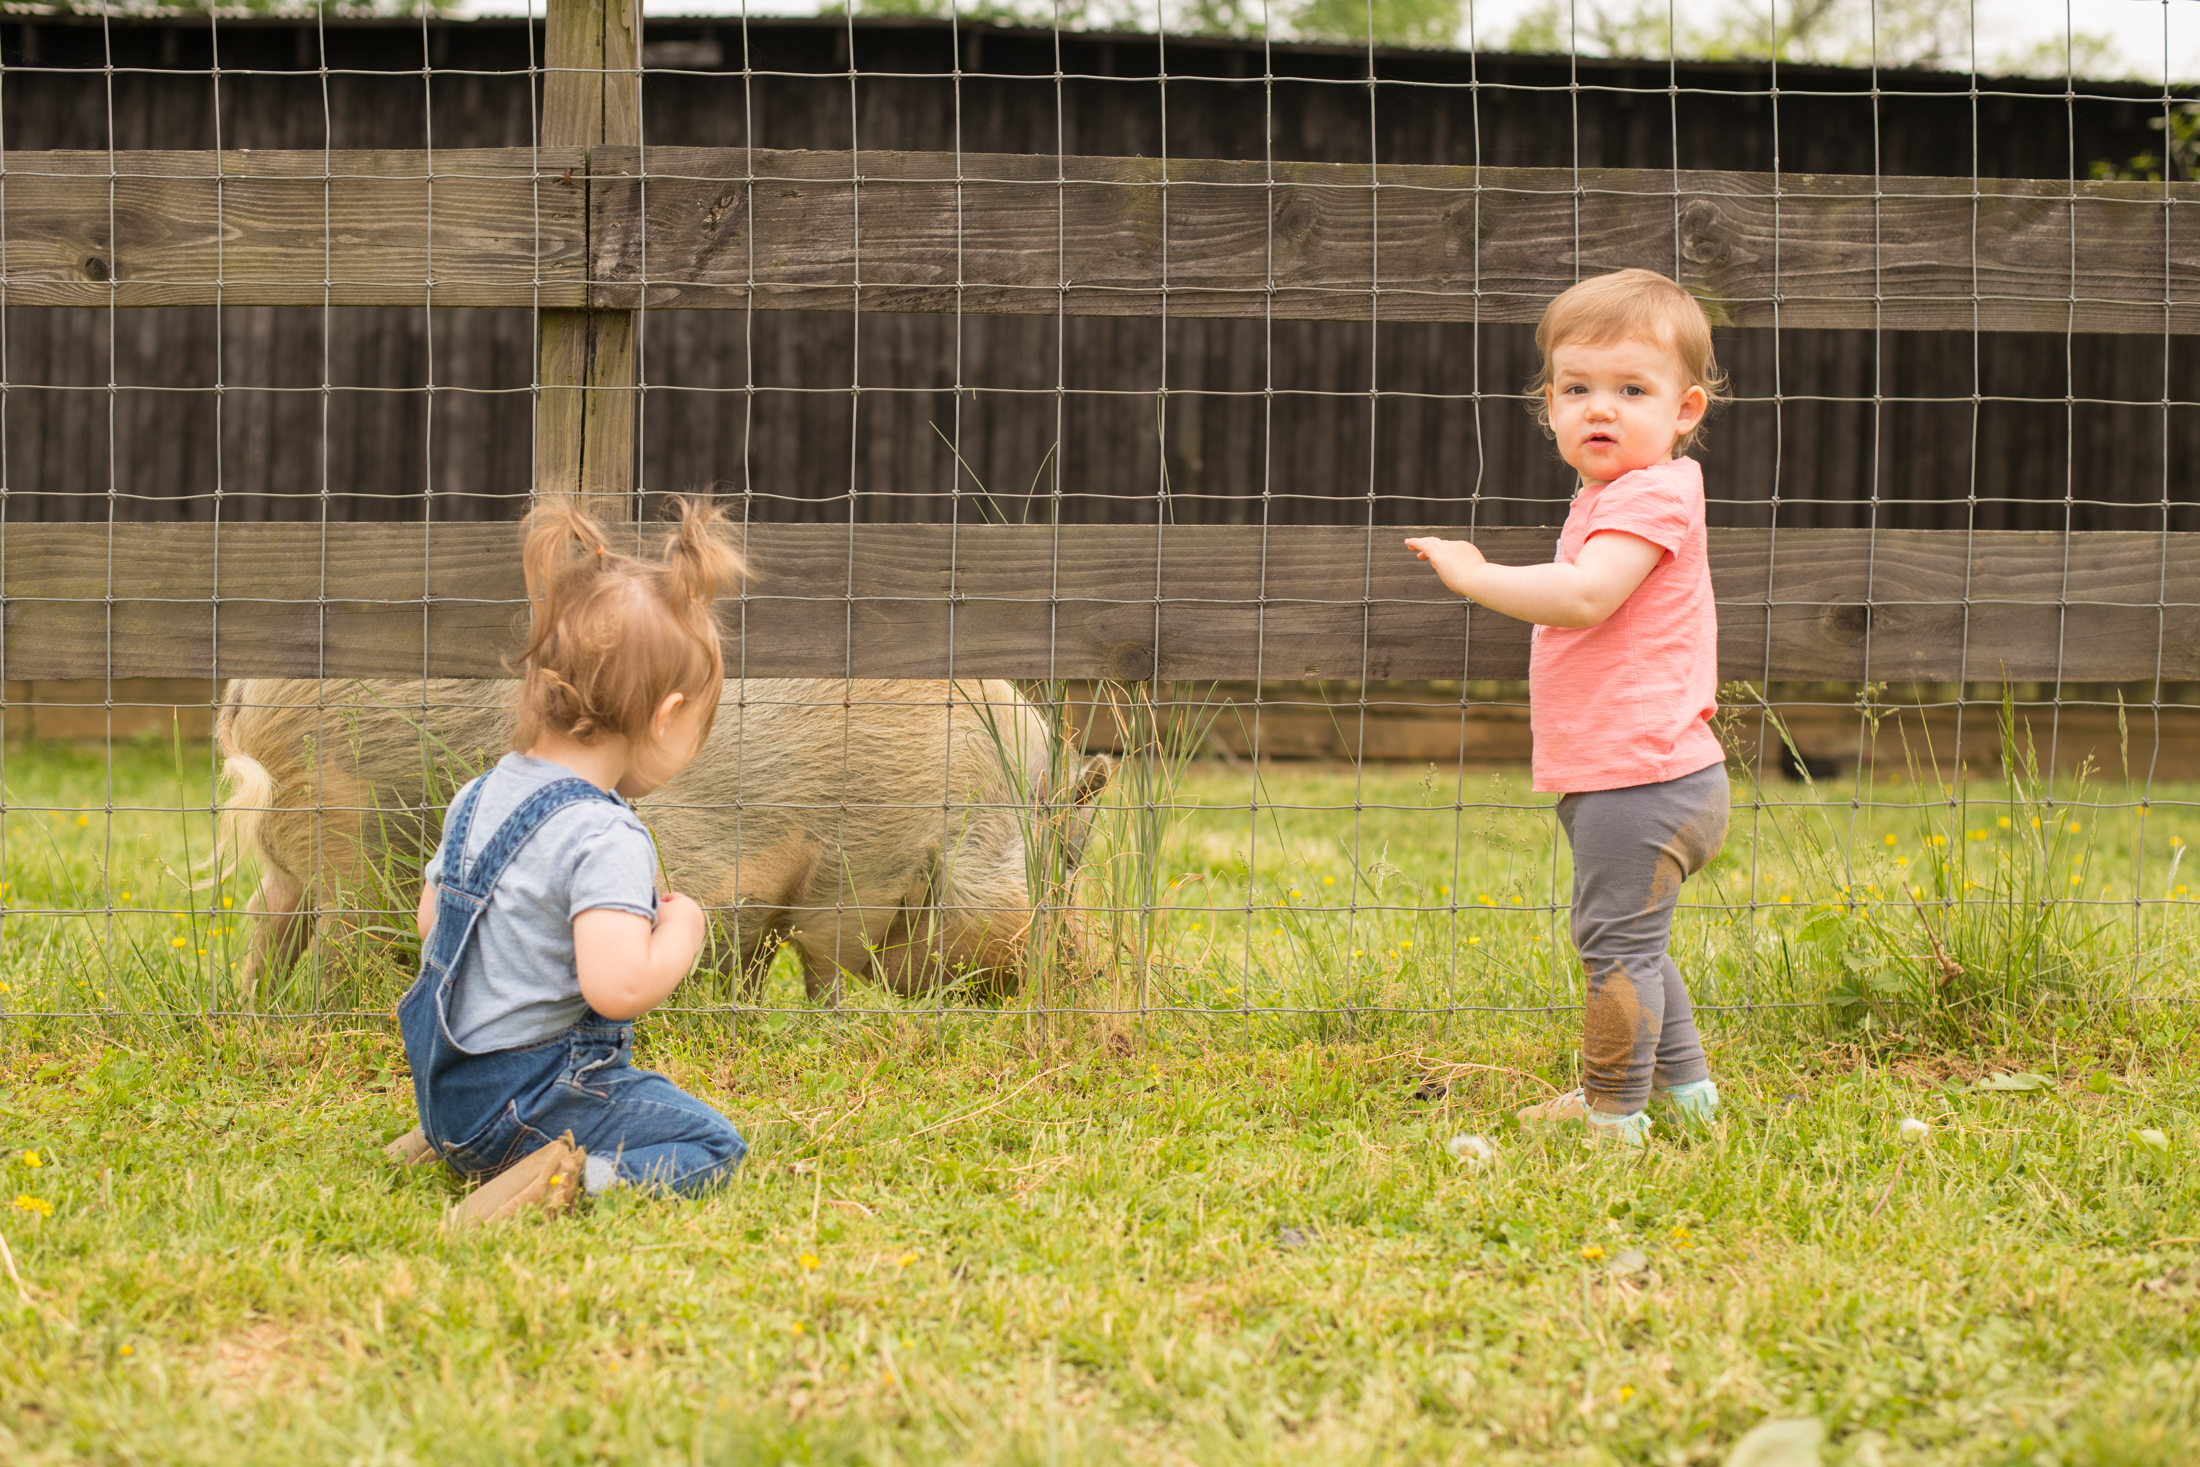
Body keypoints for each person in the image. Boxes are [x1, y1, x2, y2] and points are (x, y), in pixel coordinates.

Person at [1406, 268, 1730, 1145]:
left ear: (1685, 411)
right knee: (1641, 941)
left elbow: (1588, 596)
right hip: (1647, 773)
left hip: (1644, 779)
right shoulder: (1614, 495)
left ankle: (1612, 1113)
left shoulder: (1655, 494)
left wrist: (1475, 576)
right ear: (1547, 403)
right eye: (1577, 387)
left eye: (1633, 389)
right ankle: (1687, 1096)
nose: (1601, 408)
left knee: (1615, 951)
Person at [392, 496, 749, 1221]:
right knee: (711, 1143)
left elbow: (433, 924)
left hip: (447, 1083)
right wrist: (683, 929)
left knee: (524, 1094)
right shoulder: (604, 834)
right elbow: (617, 985)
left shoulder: (479, 792)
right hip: (529, 1097)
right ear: (665, 714)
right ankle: (553, 1177)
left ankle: (456, 1136)